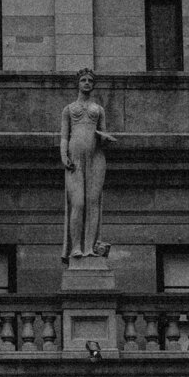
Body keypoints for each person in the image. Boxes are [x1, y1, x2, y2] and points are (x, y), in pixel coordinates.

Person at [60, 68, 116, 260]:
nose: (86, 83)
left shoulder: (98, 110)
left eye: (90, 81)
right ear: (78, 83)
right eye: (83, 80)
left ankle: (90, 247)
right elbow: (64, 136)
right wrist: (63, 155)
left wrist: (105, 138)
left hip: (96, 158)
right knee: (78, 203)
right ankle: (76, 247)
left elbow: (102, 132)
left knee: (93, 203)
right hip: (75, 159)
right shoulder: (69, 109)